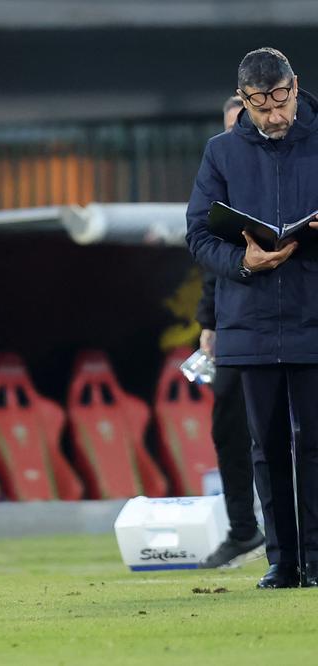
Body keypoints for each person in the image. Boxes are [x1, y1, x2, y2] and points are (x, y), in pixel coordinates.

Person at [186, 47, 318, 589]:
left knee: (314, 443)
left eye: (281, 98)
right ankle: (282, 562)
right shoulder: (221, 152)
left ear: (294, 85)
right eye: (261, 104)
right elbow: (197, 234)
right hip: (250, 319)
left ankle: (316, 559)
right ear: (244, 99)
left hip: (312, 316)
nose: (274, 114)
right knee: (265, 446)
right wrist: (242, 261)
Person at [196, 95, 266, 569]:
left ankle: (298, 538)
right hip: (236, 319)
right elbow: (207, 250)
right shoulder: (219, 167)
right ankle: (244, 529)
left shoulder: (285, 173)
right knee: (228, 425)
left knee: (291, 433)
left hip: (293, 321)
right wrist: (208, 321)